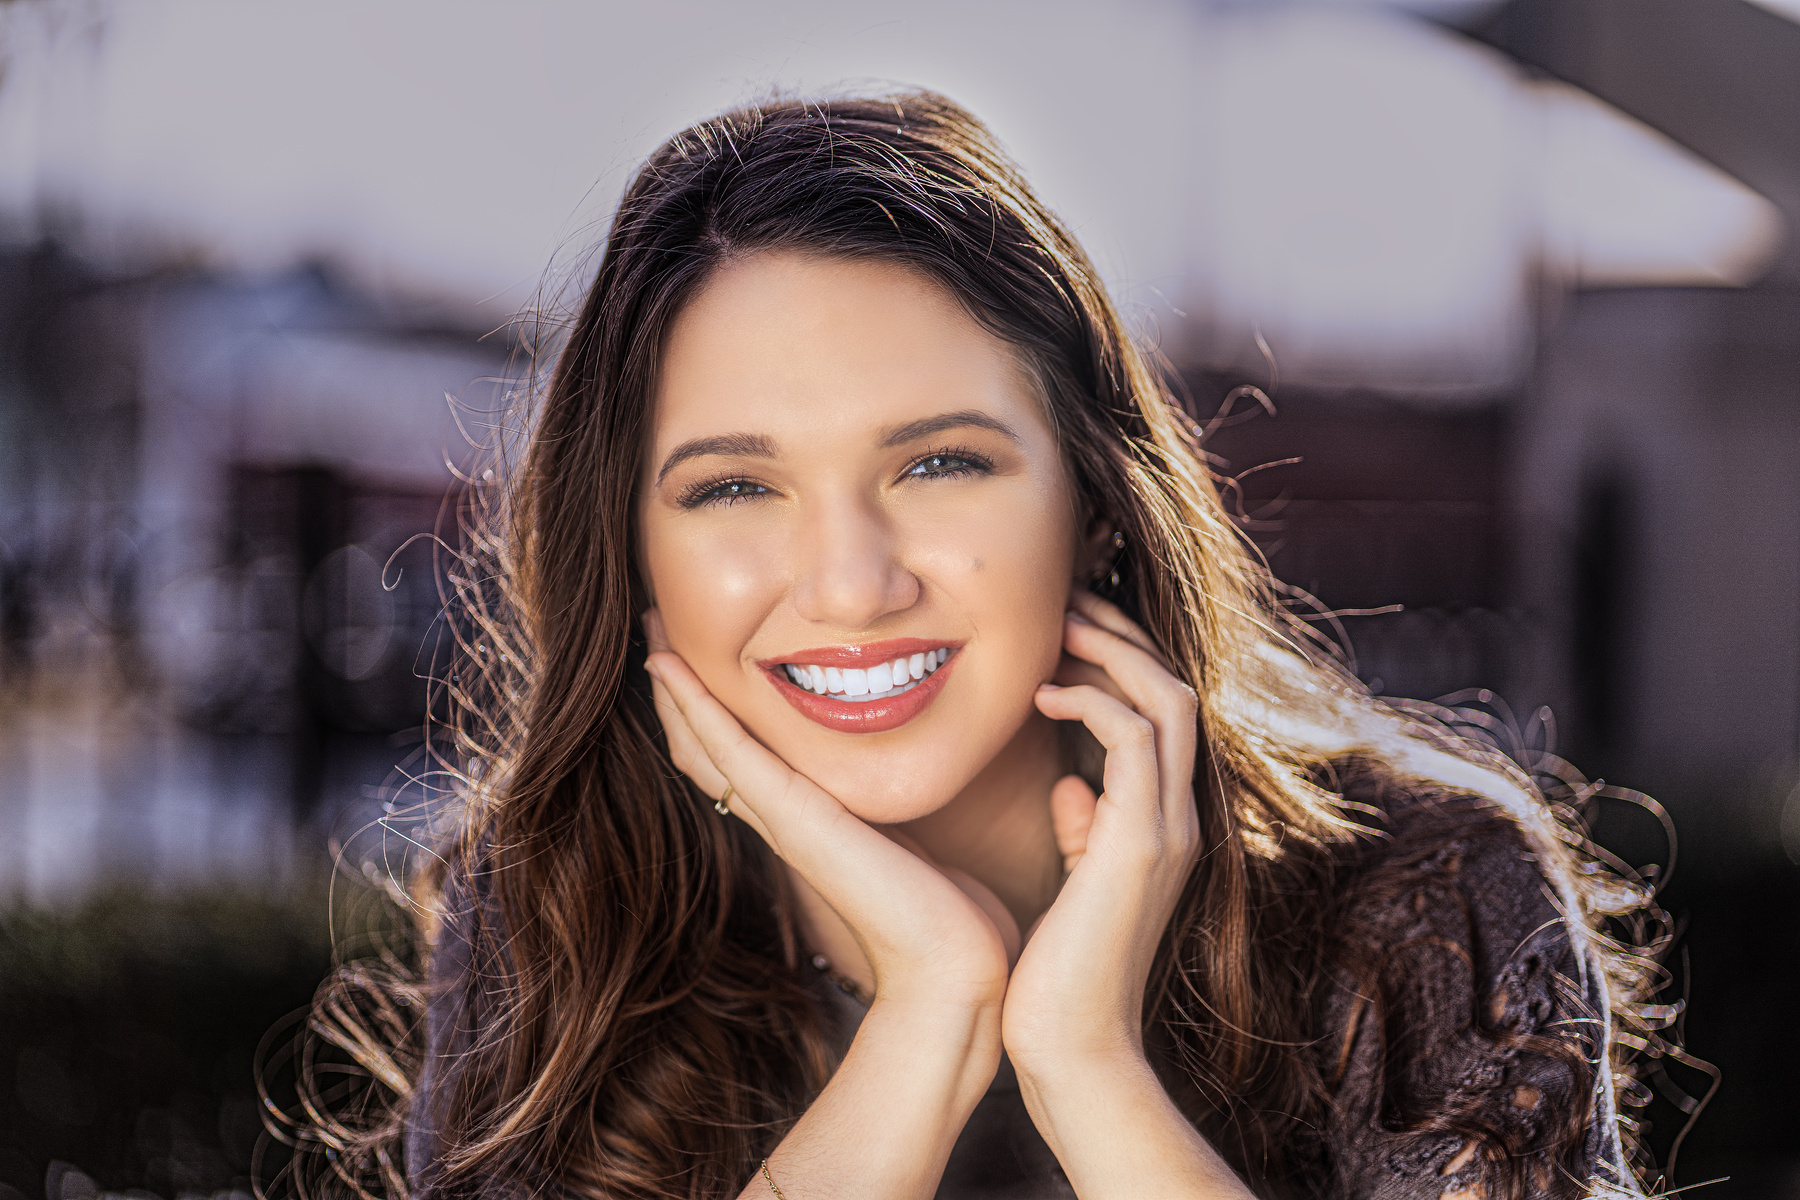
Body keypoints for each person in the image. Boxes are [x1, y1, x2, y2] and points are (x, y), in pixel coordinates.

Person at [298, 90, 1665, 1200]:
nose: (851, 582)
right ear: (628, 551)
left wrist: (1085, 1064)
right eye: (732, 486)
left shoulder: (1425, 901)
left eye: (941, 464)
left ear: (1098, 505)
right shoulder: (553, 904)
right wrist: (925, 1019)